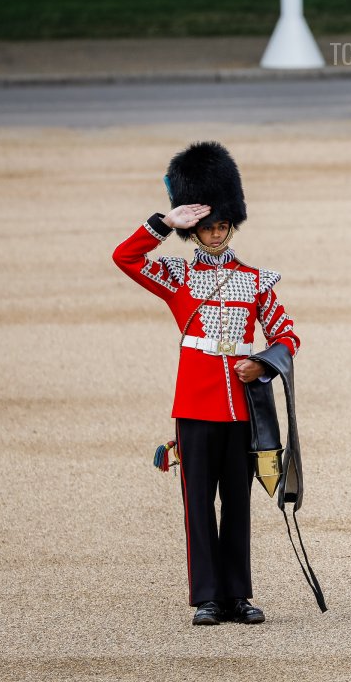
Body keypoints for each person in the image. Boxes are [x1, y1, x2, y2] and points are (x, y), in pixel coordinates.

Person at [112, 142, 300, 626]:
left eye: (222, 225)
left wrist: (260, 364)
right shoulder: (176, 276)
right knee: (198, 506)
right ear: (194, 229)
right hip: (194, 408)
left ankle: (238, 595)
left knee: (236, 505)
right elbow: (125, 257)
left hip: (240, 409)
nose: (216, 233)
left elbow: (286, 335)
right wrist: (163, 222)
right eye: (208, 226)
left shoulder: (255, 281)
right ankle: (208, 598)